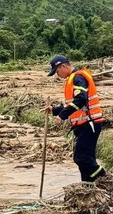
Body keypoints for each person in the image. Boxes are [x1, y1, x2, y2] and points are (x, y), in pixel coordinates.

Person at [45, 55, 106, 183]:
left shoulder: (78, 77)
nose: (58, 75)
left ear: (64, 66)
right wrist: (55, 110)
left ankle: (105, 179)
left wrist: (62, 116)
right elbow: (72, 105)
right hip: (83, 124)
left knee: (81, 158)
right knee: (86, 160)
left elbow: (81, 99)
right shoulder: (73, 78)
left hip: (90, 124)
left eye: (57, 72)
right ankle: (88, 188)